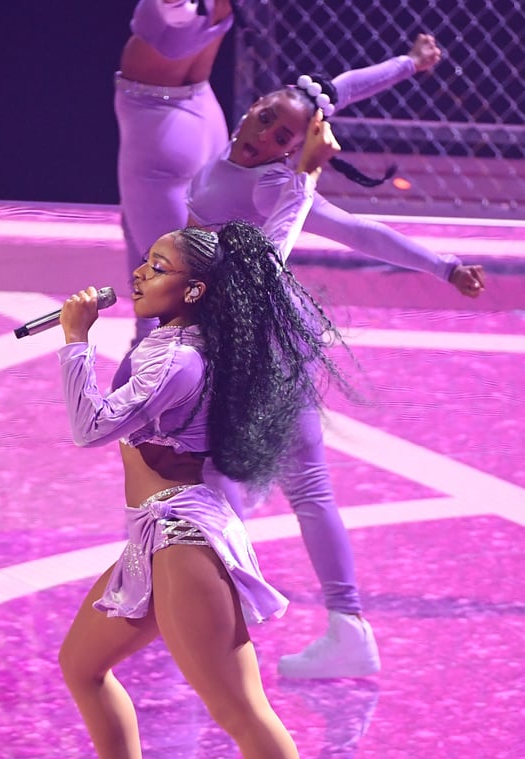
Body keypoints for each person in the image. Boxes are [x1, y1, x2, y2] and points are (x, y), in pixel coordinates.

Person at [114, 0, 485, 678]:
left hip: (249, 350)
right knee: (280, 485)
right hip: (253, 341)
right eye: (260, 124)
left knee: (231, 484)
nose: (257, 140)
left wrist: (439, 266)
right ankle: (335, 628)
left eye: (276, 141)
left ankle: (219, 622)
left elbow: (357, 234)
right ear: (253, 106)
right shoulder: (258, 147)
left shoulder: (272, 187)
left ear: (292, 149)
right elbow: (339, 89)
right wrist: (410, 61)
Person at [56, 119, 347, 759]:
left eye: (158, 268)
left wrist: (76, 342)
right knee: (82, 663)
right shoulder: (212, 322)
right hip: (155, 538)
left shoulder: (170, 355)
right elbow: (267, 255)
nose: (141, 271)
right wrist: (309, 181)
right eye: (148, 261)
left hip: (184, 541)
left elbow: (90, 427)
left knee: (238, 710)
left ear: (190, 292)